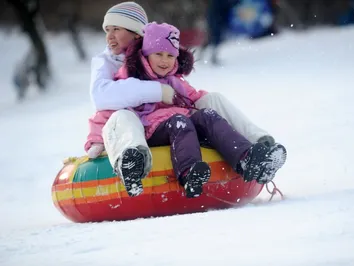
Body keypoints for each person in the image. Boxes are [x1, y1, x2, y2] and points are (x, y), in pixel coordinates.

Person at [87, 2, 286, 197]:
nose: (109, 36)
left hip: (175, 120)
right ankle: (133, 164)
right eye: (108, 30)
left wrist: (194, 106)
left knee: (210, 102)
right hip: (145, 128)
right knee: (137, 117)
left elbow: (188, 93)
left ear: (138, 34)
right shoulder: (109, 64)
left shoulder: (162, 62)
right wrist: (158, 91)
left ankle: (256, 151)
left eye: (116, 29)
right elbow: (103, 103)